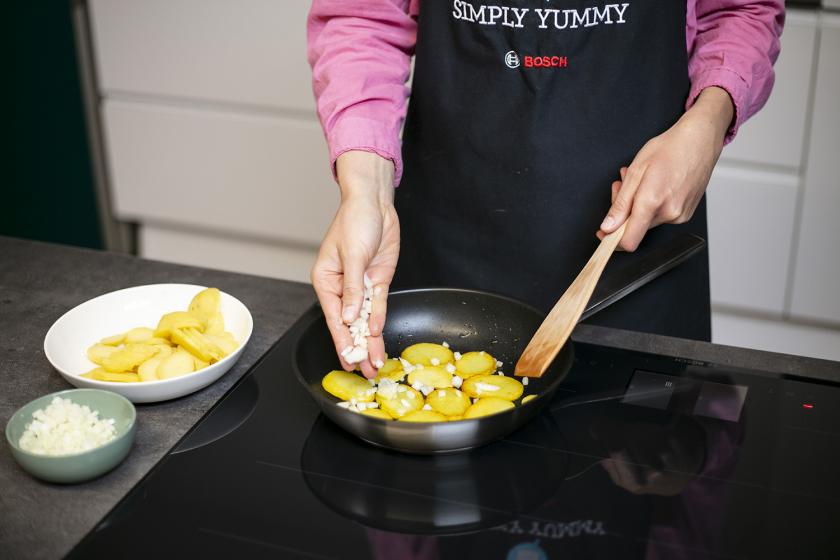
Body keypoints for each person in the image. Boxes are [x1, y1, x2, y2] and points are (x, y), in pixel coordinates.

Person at [307, 1, 784, 378]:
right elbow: (363, 16)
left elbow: (740, 10)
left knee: (640, 475)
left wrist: (709, 121)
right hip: (448, 243)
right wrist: (365, 191)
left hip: (637, 252)